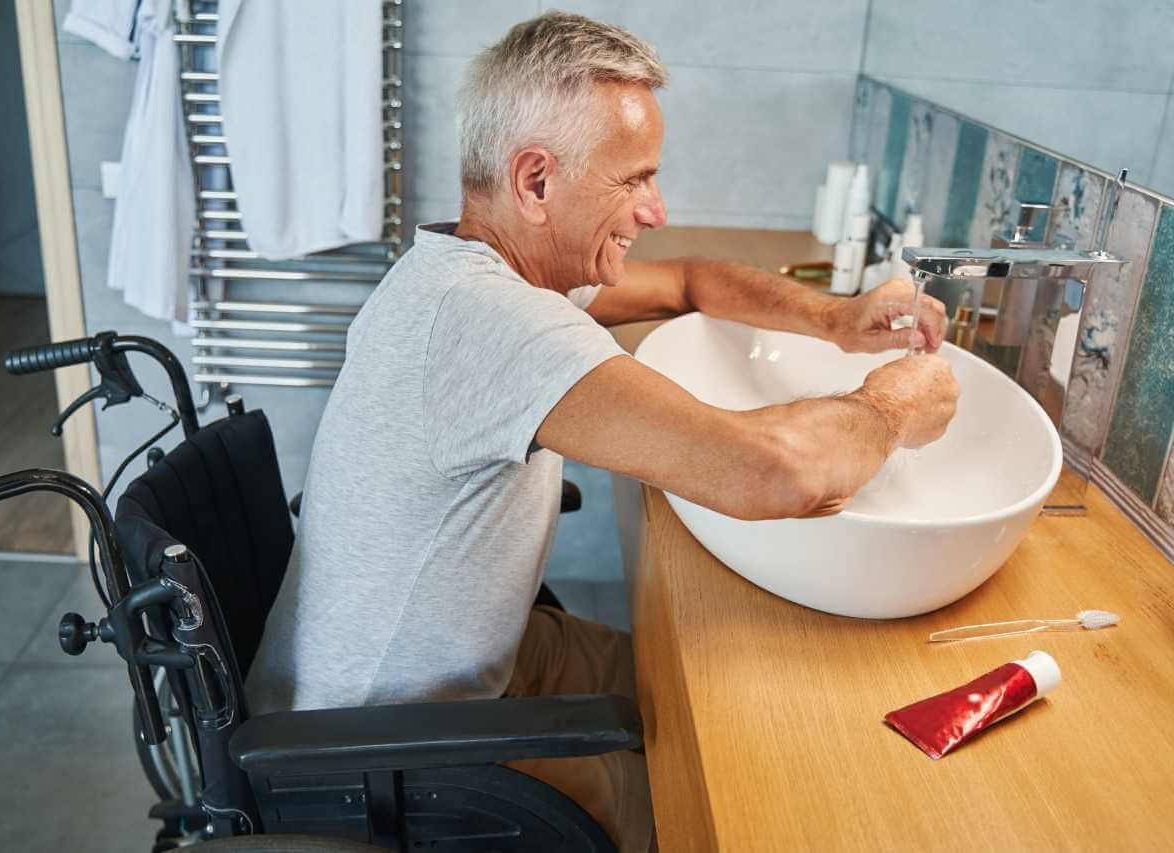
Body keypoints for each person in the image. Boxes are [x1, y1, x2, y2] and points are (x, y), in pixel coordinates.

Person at [246, 12, 959, 851]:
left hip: (465, 670)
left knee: (705, 693)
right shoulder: (494, 325)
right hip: (382, 751)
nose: (656, 209)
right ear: (536, 182)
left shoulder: (470, 267)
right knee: (705, 801)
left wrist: (837, 318)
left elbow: (689, 281)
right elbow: (773, 471)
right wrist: (890, 409)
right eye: (634, 180)